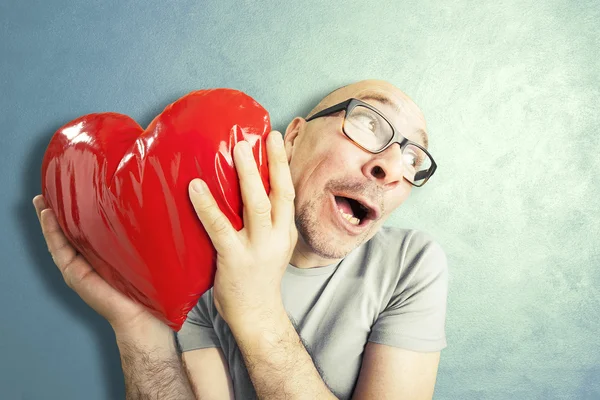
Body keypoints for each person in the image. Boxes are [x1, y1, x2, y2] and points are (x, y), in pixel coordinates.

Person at [33, 79, 448, 400]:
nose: (392, 166)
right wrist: (138, 327)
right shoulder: (195, 253)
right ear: (294, 137)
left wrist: (256, 311)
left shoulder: (409, 263)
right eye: (368, 123)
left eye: (414, 159)